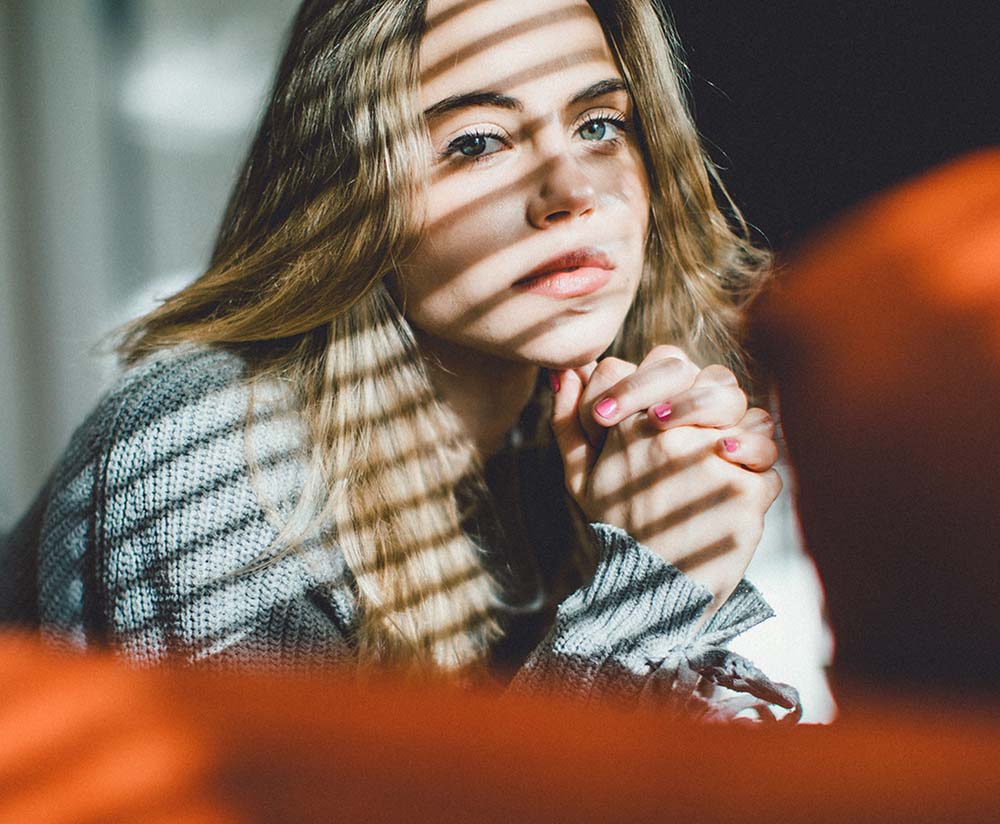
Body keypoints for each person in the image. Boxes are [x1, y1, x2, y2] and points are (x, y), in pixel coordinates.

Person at [0, 0, 799, 720]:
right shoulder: (206, 451)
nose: (573, 190)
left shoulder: (572, 448)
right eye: (477, 142)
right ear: (347, 192)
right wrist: (649, 589)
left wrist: (668, 550)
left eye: (598, 125)